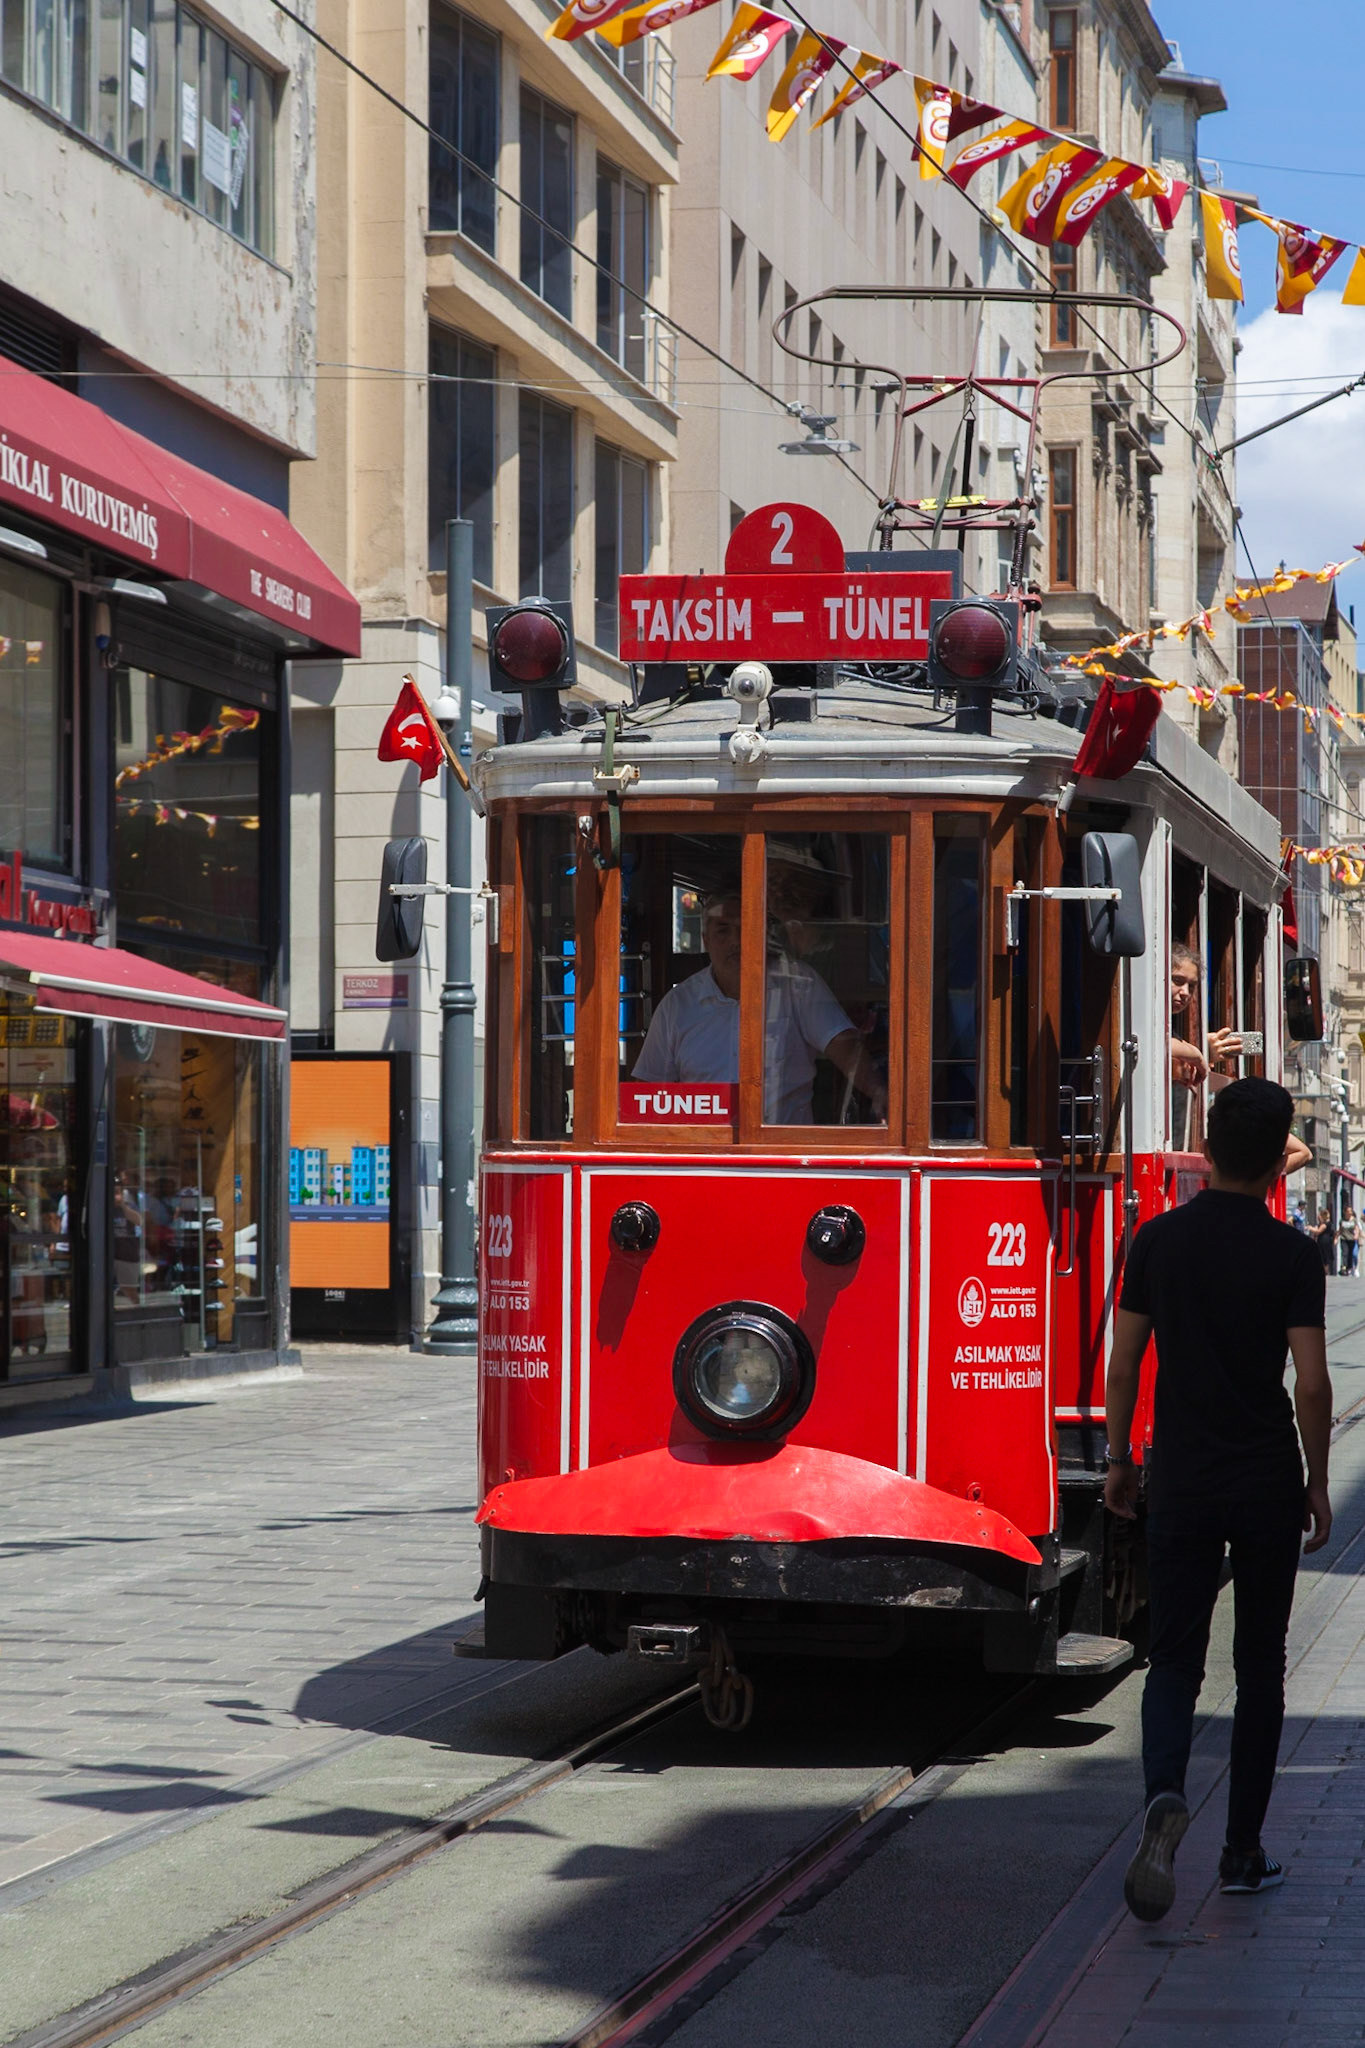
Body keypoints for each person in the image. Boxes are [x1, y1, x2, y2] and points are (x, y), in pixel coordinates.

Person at [1106, 1078, 1331, 1923]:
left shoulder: (1157, 1241)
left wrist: (1123, 1457)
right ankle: (1241, 1852)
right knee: (1259, 1669)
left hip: (1185, 1477)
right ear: (1279, 1160)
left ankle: (1165, 1792)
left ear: (1205, 1146)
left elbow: (1124, 1363)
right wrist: (1314, 1479)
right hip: (1264, 1478)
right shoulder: (1290, 1254)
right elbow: (1310, 1382)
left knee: (1173, 1660)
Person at [632, 889, 887, 1124]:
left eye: (746, 929)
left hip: (782, 1158)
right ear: (706, 940)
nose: (736, 941)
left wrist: (880, 1093)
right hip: (703, 1156)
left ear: (763, 936)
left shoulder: (797, 984)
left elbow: (843, 1045)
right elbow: (648, 1092)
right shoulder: (677, 1005)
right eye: (723, 930)